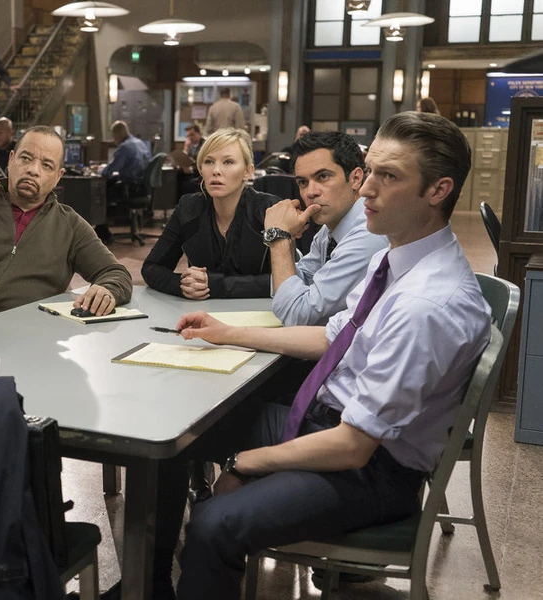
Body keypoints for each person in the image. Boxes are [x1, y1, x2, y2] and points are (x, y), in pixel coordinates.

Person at [168, 111, 491, 599]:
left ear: (438, 190)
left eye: (389, 177)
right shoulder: (395, 255)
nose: (366, 189)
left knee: (215, 523)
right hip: (329, 424)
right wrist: (226, 332)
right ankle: (152, 580)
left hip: (371, 469)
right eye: (370, 170)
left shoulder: (426, 305)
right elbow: (333, 336)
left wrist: (244, 462)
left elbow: (353, 447)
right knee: (180, 435)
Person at [0, 125, 132, 336]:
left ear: (58, 176)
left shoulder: (71, 225)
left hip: (31, 331)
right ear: (11, 160)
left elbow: (115, 273)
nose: (33, 170)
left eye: (47, 165)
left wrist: (107, 290)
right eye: (26, 158)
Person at [266, 130, 389, 326]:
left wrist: (278, 238)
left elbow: (296, 315)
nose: (310, 192)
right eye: (302, 182)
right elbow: (294, 287)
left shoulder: (368, 234)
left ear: (356, 178)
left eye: (323, 176)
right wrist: (288, 239)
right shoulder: (330, 229)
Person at [142, 128, 279, 299]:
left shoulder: (269, 209)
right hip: (202, 311)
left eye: (228, 162)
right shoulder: (188, 208)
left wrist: (215, 285)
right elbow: (151, 268)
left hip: (262, 311)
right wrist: (184, 286)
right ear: (201, 169)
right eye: (208, 161)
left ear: (247, 171)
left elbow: (286, 280)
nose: (216, 170)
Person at [96, 120, 153, 244]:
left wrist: (98, 169)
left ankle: (102, 231)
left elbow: (110, 170)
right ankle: (102, 230)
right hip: (142, 189)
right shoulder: (140, 143)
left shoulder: (125, 147)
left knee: (99, 196)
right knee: (107, 189)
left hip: (129, 189)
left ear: (116, 134)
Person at [177, 124, 204, 197]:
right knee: (176, 176)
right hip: (190, 172)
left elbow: (203, 164)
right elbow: (186, 159)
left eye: (192, 135)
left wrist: (191, 170)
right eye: (188, 136)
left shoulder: (204, 145)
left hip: (199, 174)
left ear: (199, 133)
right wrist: (186, 147)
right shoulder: (191, 145)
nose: (190, 138)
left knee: (186, 184)